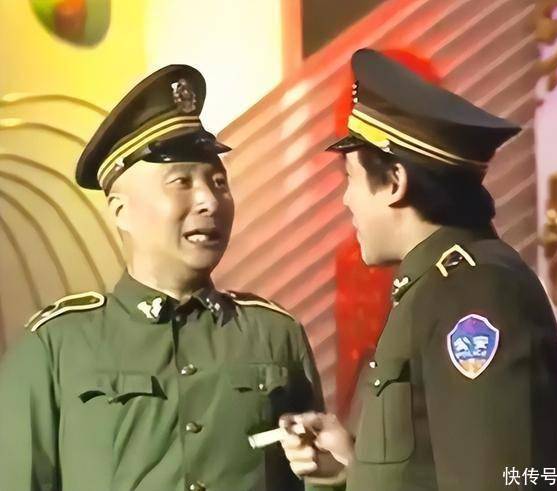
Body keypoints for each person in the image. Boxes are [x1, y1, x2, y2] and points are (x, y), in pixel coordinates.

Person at [0, 64, 327, 491]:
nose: (209, 201)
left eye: (219, 182)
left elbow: (318, 475)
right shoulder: (56, 346)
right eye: (181, 182)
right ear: (121, 210)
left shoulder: (275, 334)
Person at [280, 48, 557, 490]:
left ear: (395, 182)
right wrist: (350, 470)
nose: (346, 201)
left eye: (350, 179)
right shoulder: (433, 287)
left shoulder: (475, 291)